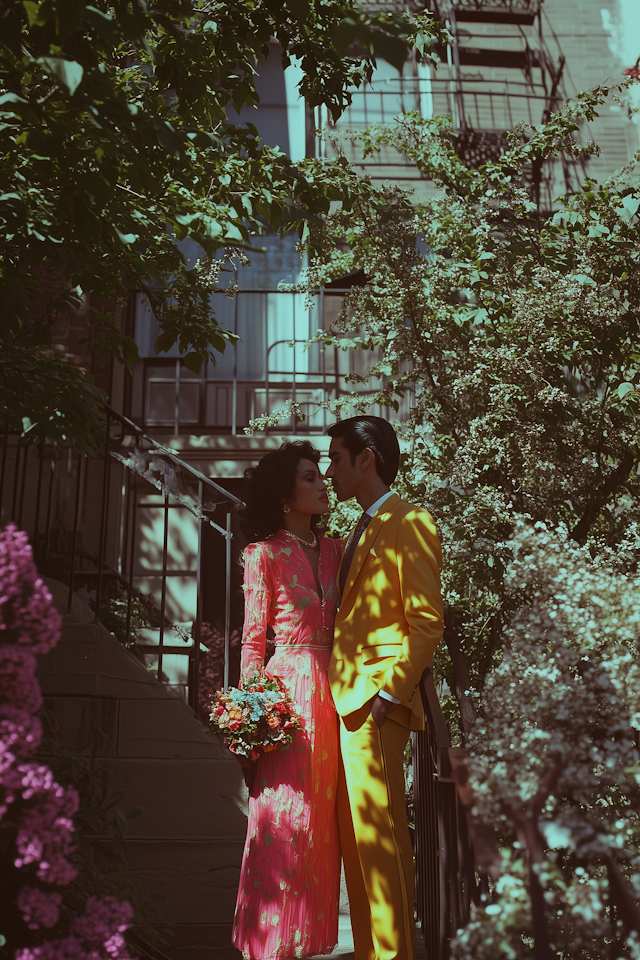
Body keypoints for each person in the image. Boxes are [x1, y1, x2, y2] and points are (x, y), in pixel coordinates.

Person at [326, 416, 444, 960]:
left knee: (383, 840)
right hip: (346, 702)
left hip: (375, 704)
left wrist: (388, 696)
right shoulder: (361, 526)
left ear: (365, 458)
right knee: (359, 844)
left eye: (336, 459)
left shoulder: (410, 521)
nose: (330, 471)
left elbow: (426, 622)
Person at [232, 440, 343, 960]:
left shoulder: (340, 550)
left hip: (336, 694)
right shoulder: (263, 554)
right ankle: (266, 946)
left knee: (321, 825)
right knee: (283, 820)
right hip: (287, 698)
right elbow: (253, 640)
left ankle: (304, 943)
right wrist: (251, 719)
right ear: (284, 494)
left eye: (321, 474)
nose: (323, 483)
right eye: (309, 477)